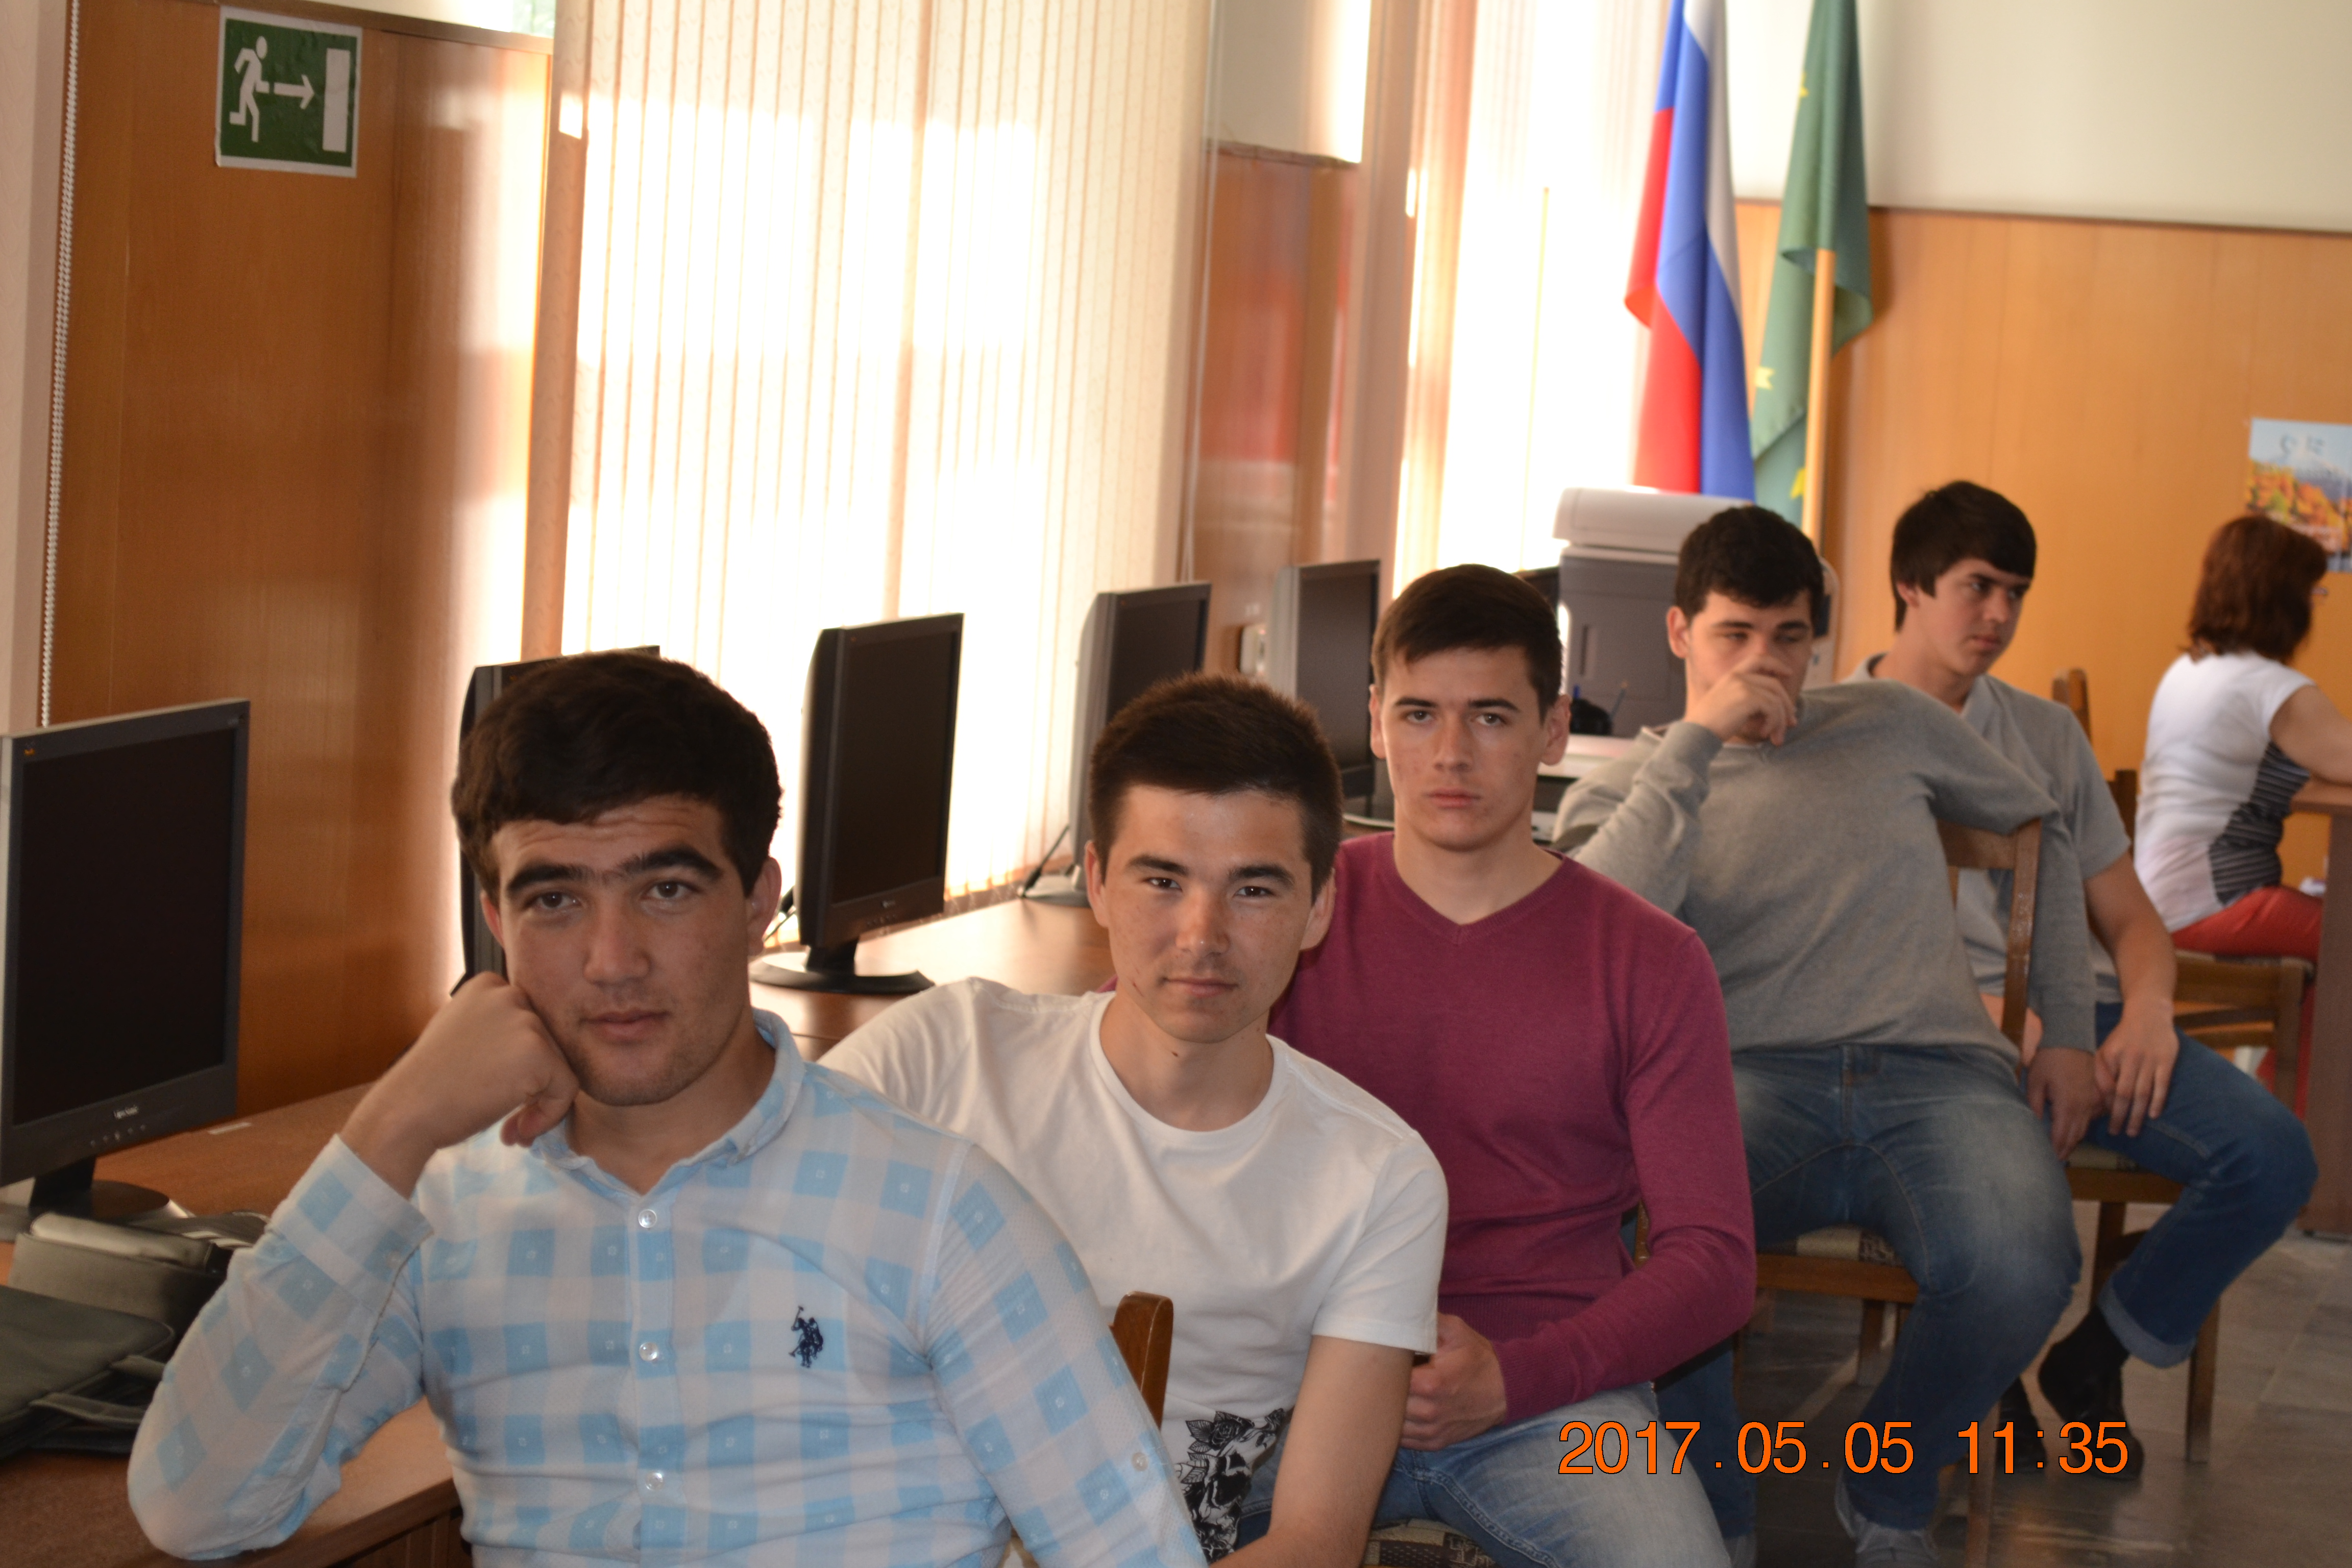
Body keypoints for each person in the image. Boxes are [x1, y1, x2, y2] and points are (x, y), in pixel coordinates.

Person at [129, 652, 1205, 1567]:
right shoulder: (445, 1209)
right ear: (496, 919)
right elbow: (199, 1508)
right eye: (556, 899)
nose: (612, 960)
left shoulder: (938, 1213)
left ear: (758, 901)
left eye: (666, 890)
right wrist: (391, 1126)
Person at [1554, 509, 2097, 1567]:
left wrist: (2069, 1030)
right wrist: (1700, 742)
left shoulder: (1888, 717)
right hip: (1745, 1080)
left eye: (1790, 637)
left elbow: (2045, 826)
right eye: (1734, 634)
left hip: (1940, 1078)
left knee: (2025, 1264)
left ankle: (1889, 1477)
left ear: (1819, 637)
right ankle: (1715, 1517)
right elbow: (1591, 936)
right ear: (1679, 632)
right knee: (1643, 1244)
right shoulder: (1631, 785)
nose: (1765, 664)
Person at [826, 674, 1448, 1566]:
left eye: (1254, 890)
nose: (1201, 934)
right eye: (1162, 880)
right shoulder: (943, 1053)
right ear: (1096, 881)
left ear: (1320, 906)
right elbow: (736, 1217)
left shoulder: (1380, 1178)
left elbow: (1315, 1541)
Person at [1265, 565, 1750, 1568]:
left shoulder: (1651, 959)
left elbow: (1713, 1261)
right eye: (1418, 714)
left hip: (1557, 1393)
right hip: (1291, 1379)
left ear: (1554, 729)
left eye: (1489, 717)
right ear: (1374, 720)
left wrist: (1514, 1377)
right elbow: (1118, 1065)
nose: (1450, 753)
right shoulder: (1281, 911)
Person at [1863, 482, 2315, 1475]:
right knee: (2009, 1204)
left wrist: (2146, 1010)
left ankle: (2095, 1354)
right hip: (1928, 1037)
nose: (1998, 615)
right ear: (1909, 584)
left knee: (2274, 1156)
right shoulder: (1837, 730)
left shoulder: (2046, 736)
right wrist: (1997, 1022)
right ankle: (1984, 1370)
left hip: (2076, 1011)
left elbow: (2133, 919)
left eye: (2016, 594)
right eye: (1977, 587)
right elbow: (1838, 948)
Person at [2137, 512, 2352, 1112]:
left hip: (2159, 892)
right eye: (2313, 592)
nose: (2315, 607)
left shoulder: (2193, 668)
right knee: (2344, 941)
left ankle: (2286, 1105)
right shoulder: (2266, 686)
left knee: (2335, 933)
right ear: (2285, 597)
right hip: (2207, 901)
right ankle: (2302, 1123)